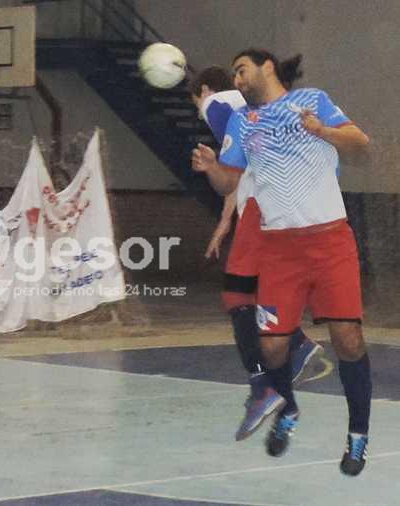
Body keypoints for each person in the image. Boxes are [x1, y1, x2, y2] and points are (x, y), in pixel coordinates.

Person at [192, 49, 371, 476]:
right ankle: (287, 408)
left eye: (241, 70)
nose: (237, 79)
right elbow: (229, 183)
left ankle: (357, 436)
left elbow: (359, 142)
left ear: (267, 67)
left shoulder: (312, 100)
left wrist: (322, 130)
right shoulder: (241, 121)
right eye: (233, 75)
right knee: (272, 346)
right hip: (279, 249)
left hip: (330, 241)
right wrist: (212, 167)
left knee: (348, 339)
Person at [191, 66, 322, 441]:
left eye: (196, 101)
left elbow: (239, 166)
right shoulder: (254, 108)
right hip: (297, 202)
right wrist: (225, 220)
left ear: (204, 90)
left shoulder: (216, 105)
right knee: (252, 290)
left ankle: (265, 382)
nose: (199, 110)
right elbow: (244, 163)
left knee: (238, 295)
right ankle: (295, 344)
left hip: (268, 204)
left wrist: (214, 168)